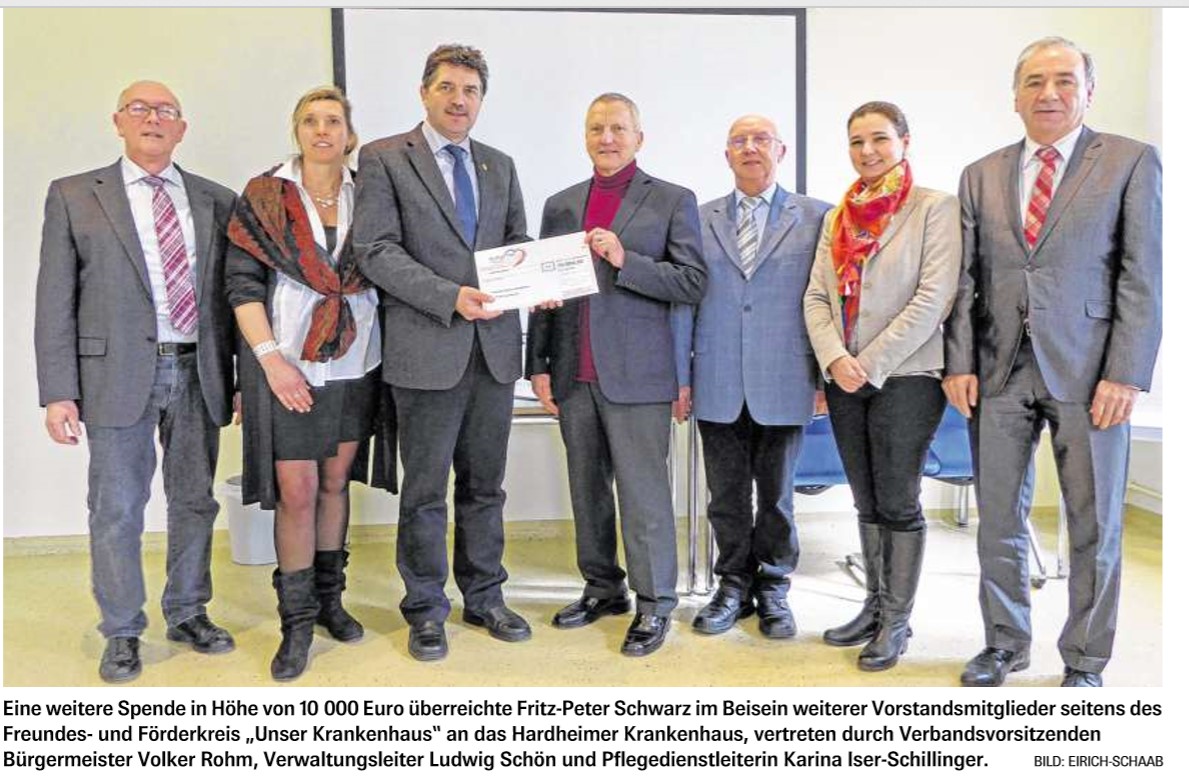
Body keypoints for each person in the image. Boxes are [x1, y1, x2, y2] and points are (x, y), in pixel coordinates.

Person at [945, 37, 1161, 688]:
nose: (1048, 93)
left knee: (1093, 522)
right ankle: (1004, 643)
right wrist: (959, 361)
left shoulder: (1128, 160)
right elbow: (966, 278)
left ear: (1087, 92)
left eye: (1064, 80)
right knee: (998, 518)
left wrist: (1124, 372)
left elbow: (1141, 275)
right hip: (998, 369)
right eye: (1034, 82)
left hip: (1091, 374)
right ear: (1014, 96)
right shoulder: (980, 173)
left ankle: (1085, 658)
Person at [34, 80, 237, 683]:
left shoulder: (216, 199)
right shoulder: (74, 195)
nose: (153, 118)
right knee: (117, 507)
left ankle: (188, 610)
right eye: (140, 109)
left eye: (166, 111)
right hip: (113, 375)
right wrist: (58, 390)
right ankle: (122, 629)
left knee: (194, 500)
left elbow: (231, 300)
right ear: (118, 121)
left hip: (199, 370)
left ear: (182, 128)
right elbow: (54, 298)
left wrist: (240, 379)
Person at [353, 44, 533, 662]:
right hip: (426, 350)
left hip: (494, 353)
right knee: (425, 491)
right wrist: (448, 297)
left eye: (471, 91)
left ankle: (484, 597)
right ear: (424, 92)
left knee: (485, 487)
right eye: (448, 88)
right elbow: (376, 250)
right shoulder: (384, 158)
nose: (460, 100)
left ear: (482, 100)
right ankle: (426, 609)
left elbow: (516, 242)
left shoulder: (499, 165)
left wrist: (534, 280)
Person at [526, 93, 706, 657]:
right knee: (587, 492)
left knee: (643, 495)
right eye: (596, 128)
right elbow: (543, 291)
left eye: (618, 128)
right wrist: (538, 364)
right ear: (585, 137)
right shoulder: (560, 204)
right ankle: (603, 589)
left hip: (640, 376)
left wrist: (627, 260)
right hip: (573, 374)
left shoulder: (673, 200)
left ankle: (655, 603)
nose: (607, 138)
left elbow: (692, 282)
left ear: (638, 138)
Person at [226, 86, 395, 681]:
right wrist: (271, 362)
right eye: (310, 121)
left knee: (333, 482)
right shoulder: (265, 194)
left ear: (349, 134)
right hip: (287, 367)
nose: (322, 130)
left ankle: (330, 602)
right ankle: (295, 623)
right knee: (295, 491)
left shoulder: (370, 191)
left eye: (333, 121)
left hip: (356, 362)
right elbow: (241, 287)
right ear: (296, 131)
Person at [804, 101, 960, 672]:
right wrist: (835, 358)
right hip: (845, 376)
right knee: (865, 498)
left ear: (904, 142)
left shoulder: (935, 208)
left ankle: (897, 620)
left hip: (906, 376)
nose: (867, 151)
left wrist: (866, 362)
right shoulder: (837, 217)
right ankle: (872, 606)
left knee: (897, 499)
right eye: (856, 141)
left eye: (879, 139)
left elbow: (933, 298)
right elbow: (816, 296)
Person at [671, 115, 830, 639]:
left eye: (761, 139)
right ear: (727, 155)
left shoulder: (817, 217)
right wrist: (680, 376)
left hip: (786, 377)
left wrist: (824, 377)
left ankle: (775, 587)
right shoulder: (697, 218)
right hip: (716, 377)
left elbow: (829, 301)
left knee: (778, 496)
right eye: (739, 141)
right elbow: (684, 302)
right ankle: (733, 586)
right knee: (726, 496)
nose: (750, 148)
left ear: (781, 151)